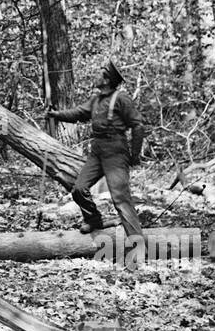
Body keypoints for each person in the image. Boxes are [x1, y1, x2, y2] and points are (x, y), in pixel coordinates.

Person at [46, 60, 145, 238]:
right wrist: (56, 115)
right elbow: (77, 113)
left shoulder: (121, 98)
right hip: (97, 150)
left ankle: (137, 242)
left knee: (120, 198)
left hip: (116, 150)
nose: (96, 76)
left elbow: (137, 125)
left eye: (99, 73)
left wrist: (135, 155)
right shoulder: (96, 100)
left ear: (106, 80)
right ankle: (94, 220)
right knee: (78, 189)